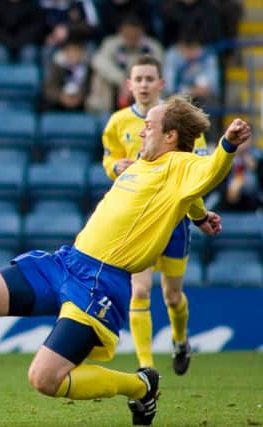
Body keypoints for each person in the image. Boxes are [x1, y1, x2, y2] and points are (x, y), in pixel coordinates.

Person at [0, 96, 251, 426]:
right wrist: (199, 216)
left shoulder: (179, 165)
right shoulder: (144, 164)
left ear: (170, 137)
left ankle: (142, 385)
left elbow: (207, 172)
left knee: (44, 379)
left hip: (100, 283)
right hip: (66, 262)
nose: (140, 132)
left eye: (148, 126)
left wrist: (227, 146)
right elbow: (185, 197)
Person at [101, 55, 221, 375]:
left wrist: (197, 213)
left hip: (173, 218)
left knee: (172, 295)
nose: (143, 85)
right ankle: (145, 366)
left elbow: (196, 169)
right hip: (138, 216)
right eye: (137, 79)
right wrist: (114, 167)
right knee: (139, 290)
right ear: (129, 84)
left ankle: (180, 340)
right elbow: (109, 156)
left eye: (148, 79)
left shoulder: (180, 122)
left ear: (160, 83)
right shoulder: (117, 123)